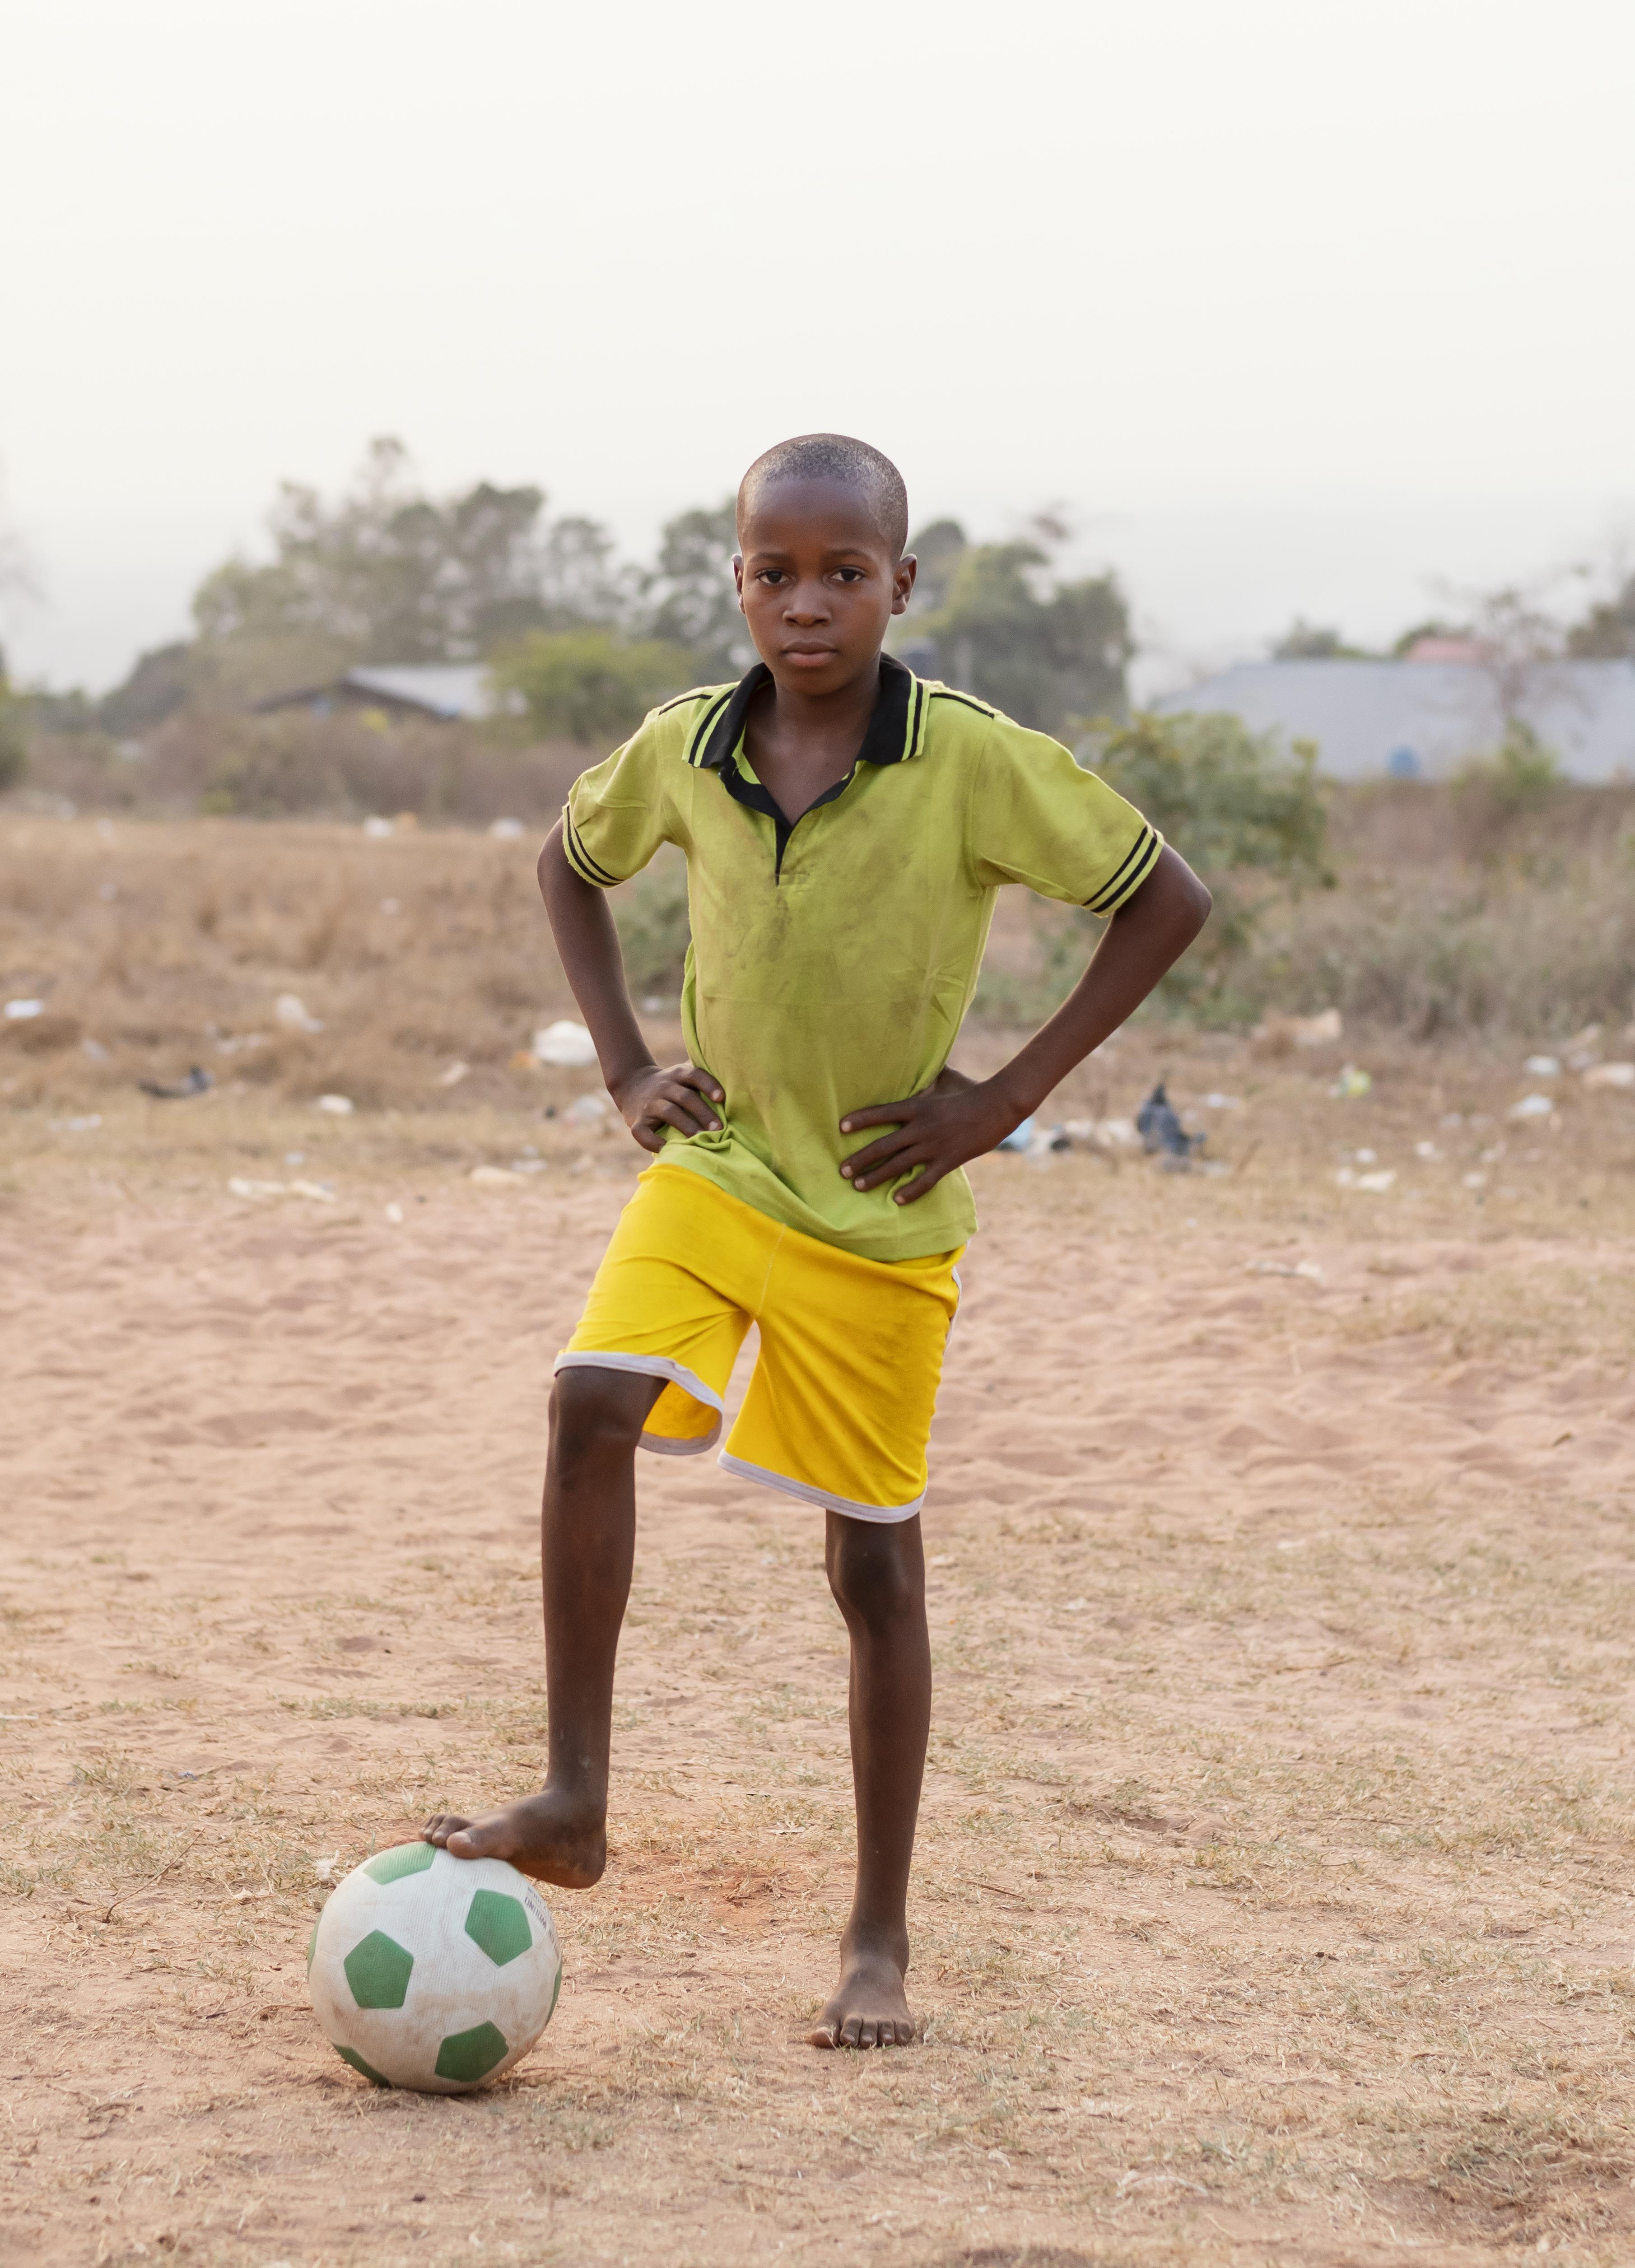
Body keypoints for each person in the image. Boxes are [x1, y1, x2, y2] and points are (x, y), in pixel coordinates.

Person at [424, 433, 1211, 2048]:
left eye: (843, 574)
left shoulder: (974, 760)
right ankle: (575, 1795)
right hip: (716, 1174)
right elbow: (570, 870)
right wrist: (628, 1066)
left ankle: (877, 1936)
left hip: (880, 1214)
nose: (806, 604)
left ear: (900, 588)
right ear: (736, 583)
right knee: (587, 1404)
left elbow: (1166, 900)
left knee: (870, 1564)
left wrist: (1001, 1099)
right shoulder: (684, 746)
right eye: (774, 573)